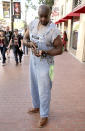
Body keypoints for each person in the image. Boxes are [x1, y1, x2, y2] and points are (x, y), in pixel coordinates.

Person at [23, 5, 63, 128]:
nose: (44, 19)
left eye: (46, 16)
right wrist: (29, 44)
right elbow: (24, 38)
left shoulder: (53, 30)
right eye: (41, 16)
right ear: (38, 15)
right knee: (34, 85)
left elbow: (60, 49)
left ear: (50, 15)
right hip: (33, 61)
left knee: (45, 90)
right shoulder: (33, 24)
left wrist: (45, 52)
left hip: (46, 64)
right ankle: (36, 106)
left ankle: (44, 115)